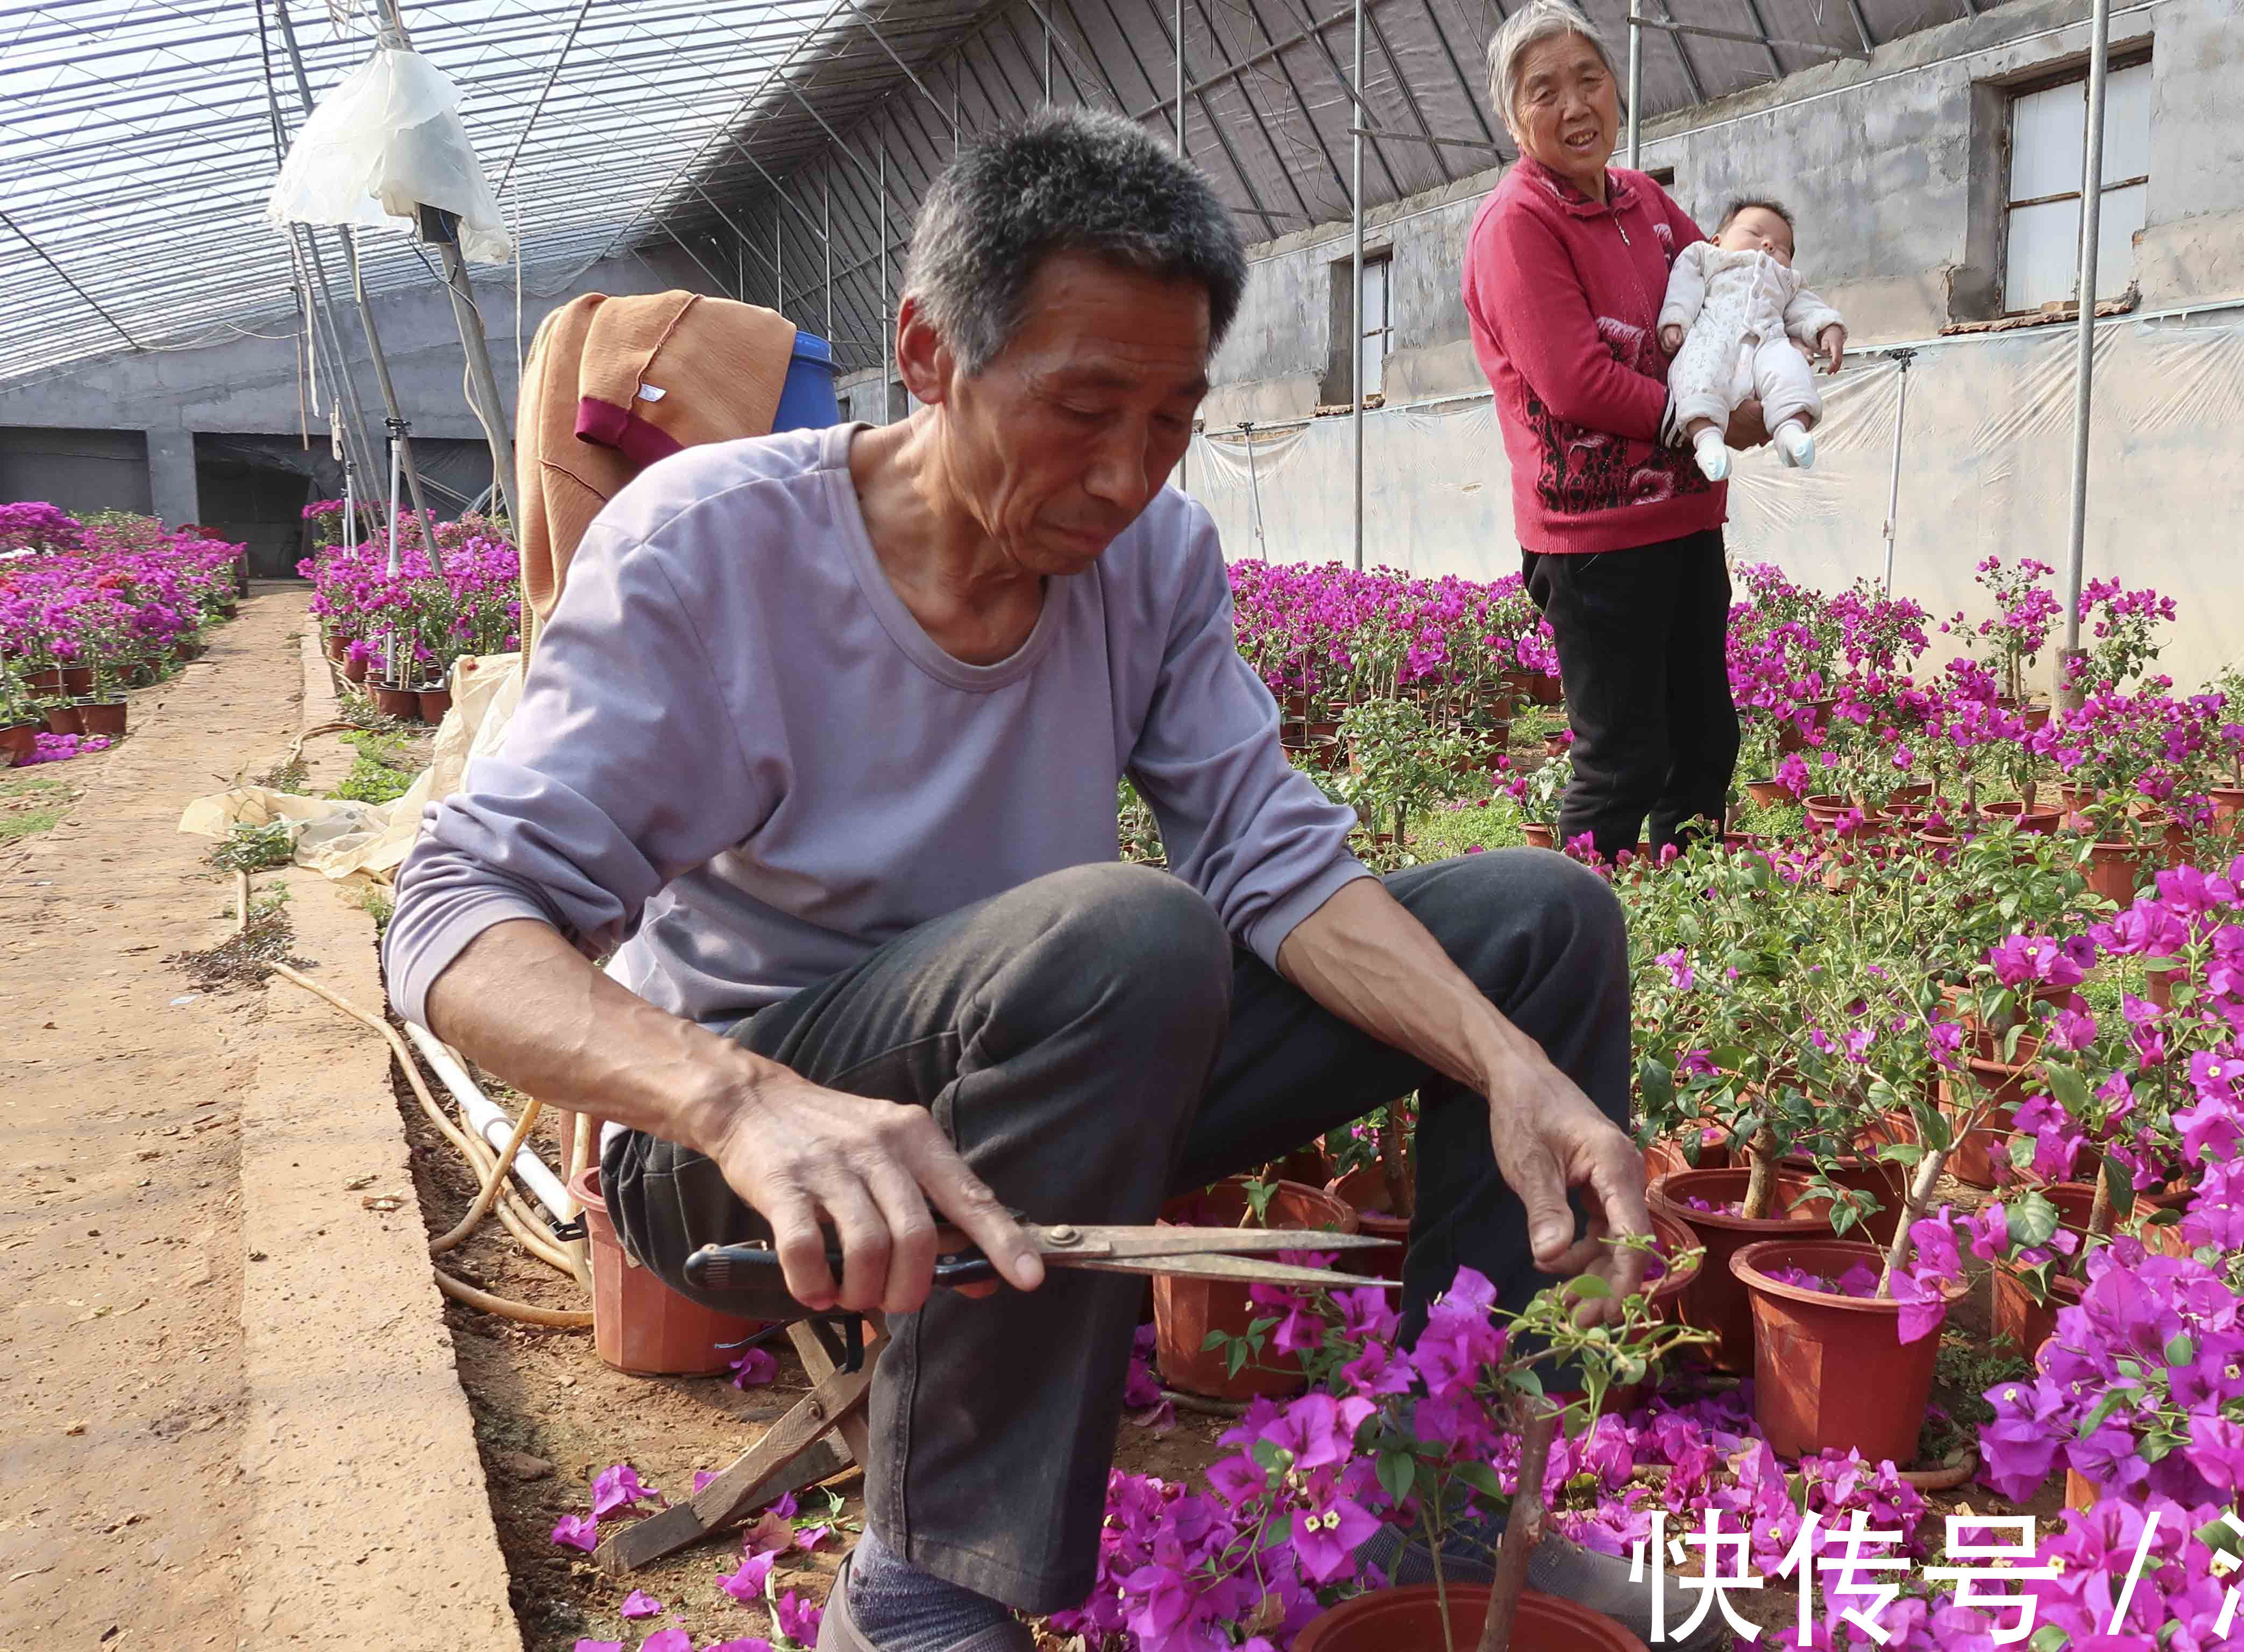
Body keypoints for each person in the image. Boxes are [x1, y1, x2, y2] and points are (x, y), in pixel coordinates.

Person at [385, 110, 1657, 1652]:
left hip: (1041, 1088)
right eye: (1082, 407)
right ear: (929, 353)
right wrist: (733, 1099)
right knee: (1125, 933)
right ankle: (930, 1577)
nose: (1127, 474)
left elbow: (1267, 851)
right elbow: (455, 919)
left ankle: (1443, 1504)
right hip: (740, 1158)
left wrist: (1510, 1067)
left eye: (1174, 418)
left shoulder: (1152, 560)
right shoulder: (710, 554)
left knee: (1538, 925)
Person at [1465, 1, 1843, 865]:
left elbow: (1727, 284)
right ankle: (1579, 934)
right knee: (1623, 757)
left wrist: (1782, 346)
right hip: (1594, 536)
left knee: (1704, 740)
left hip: (1683, 516)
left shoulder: (1642, 198)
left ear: (1617, 88)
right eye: (1544, 91)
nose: (1574, 106)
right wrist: (1716, 423)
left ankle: (1687, 915)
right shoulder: (1517, 225)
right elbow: (1576, 384)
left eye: (1589, 79)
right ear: (1513, 115)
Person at [1660, 198, 1847, 480]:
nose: (1769, 245)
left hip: (1767, 343)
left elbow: (1806, 308)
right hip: (1713, 334)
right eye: (1756, 233)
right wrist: (1676, 319)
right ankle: (1707, 440)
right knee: (1698, 371)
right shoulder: (1706, 257)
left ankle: (1791, 431)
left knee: (1791, 368)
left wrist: (1828, 328)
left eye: (1783, 247)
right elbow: (1684, 285)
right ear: (1717, 241)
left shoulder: (1786, 281)